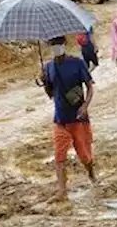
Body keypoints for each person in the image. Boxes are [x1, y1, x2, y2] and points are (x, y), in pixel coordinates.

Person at [40, 36, 96, 199]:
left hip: (78, 118)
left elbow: (90, 87)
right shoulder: (49, 67)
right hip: (60, 119)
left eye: (59, 44)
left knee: (85, 155)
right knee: (59, 156)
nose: (56, 47)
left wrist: (85, 105)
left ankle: (91, 173)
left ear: (64, 45)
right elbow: (51, 94)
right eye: (53, 45)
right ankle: (62, 191)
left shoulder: (77, 63)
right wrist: (44, 82)